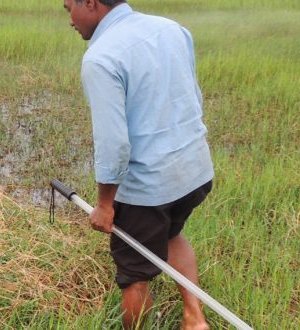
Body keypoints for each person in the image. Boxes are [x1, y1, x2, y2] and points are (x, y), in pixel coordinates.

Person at [62, 0, 214, 329]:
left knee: (135, 276)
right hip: (196, 172)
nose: (69, 20)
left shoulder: (100, 58)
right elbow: (193, 98)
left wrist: (104, 205)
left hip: (149, 188)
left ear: (90, 3)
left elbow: (114, 144)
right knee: (172, 234)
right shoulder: (171, 29)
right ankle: (195, 319)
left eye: (68, 8)